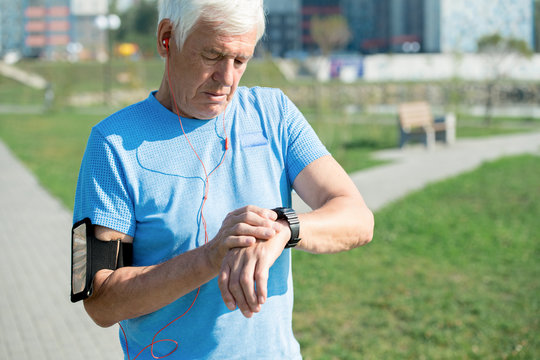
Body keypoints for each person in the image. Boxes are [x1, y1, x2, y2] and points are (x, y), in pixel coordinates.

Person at [72, 0, 374, 358]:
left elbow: (358, 218)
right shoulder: (112, 144)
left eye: (240, 60)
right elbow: (99, 301)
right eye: (213, 55)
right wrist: (209, 257)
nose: (227, 78)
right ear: (167, 38)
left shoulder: (274, 114)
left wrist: (282, 229)